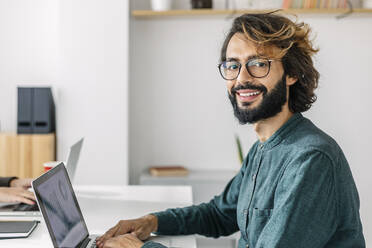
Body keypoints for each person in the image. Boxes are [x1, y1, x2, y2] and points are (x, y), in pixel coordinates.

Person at [96, 11, 365, 248]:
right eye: (233, 65)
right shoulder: (264, 147)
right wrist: (151, 221)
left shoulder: (310, 159)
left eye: (259, 63)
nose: (242, 78)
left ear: (292, 74)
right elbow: (220, 214)